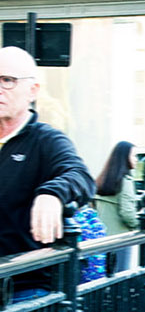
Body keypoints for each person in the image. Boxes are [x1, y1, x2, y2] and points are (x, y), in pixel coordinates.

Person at [0, 46, 95, 298]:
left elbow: (80, 175)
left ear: (33, 91)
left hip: (24, 288)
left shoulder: (47, 140)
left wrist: (52, 194)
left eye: (7, 80)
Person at [94, 140, 139, 271]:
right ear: (124, 158)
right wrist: (139, 224)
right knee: (120, 274)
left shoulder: (103, 179)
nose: (136, 160)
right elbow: (127, 213)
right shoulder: (126, 181)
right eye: (133, 156)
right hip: (120, 239)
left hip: (101, 237)